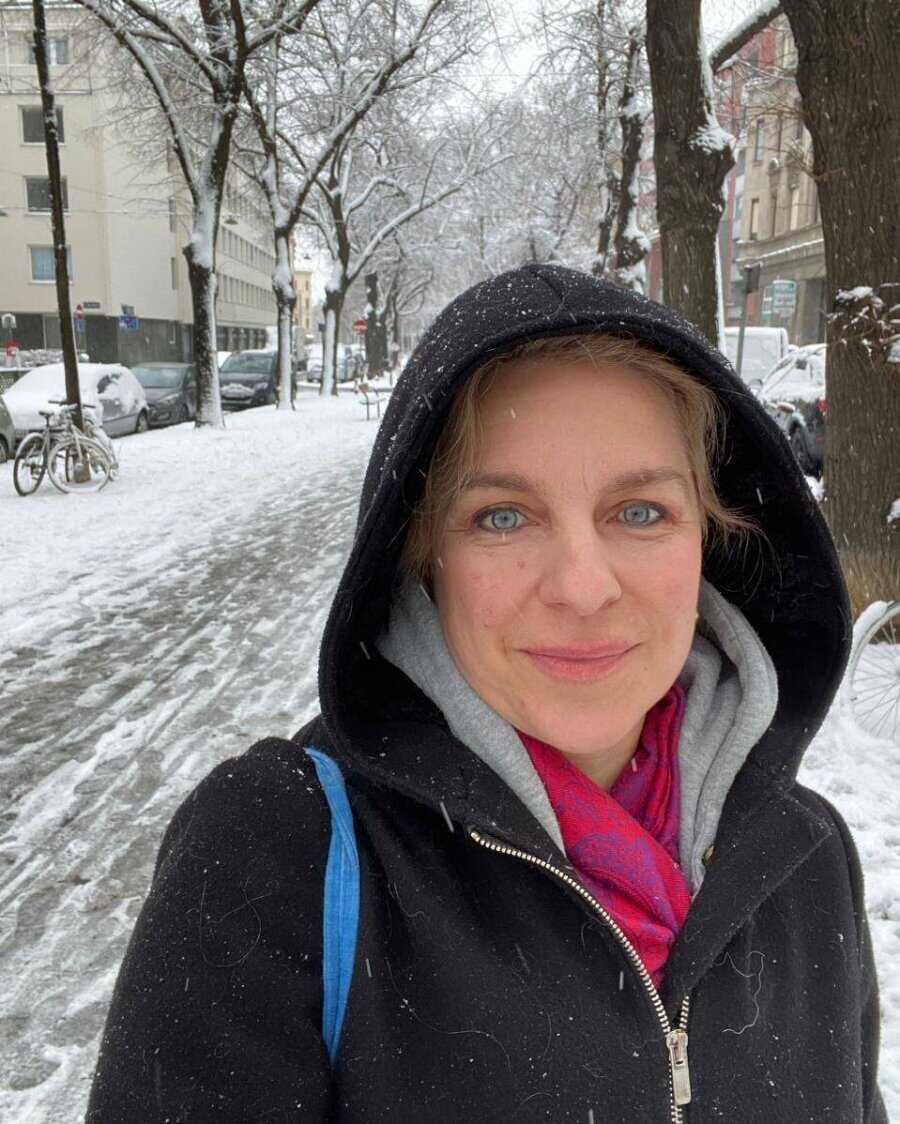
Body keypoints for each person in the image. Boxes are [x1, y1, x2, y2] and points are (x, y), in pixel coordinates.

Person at [86, 264, 886, 1123]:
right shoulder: (280, 852)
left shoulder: (805, 857)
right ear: (422, 556)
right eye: (502, 517)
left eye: (640, 512)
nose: (583, 588)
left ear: (708, 539)